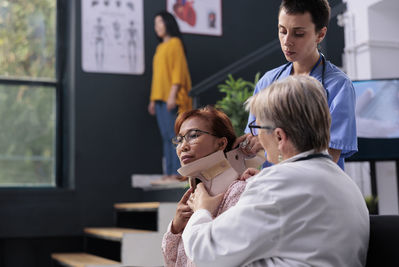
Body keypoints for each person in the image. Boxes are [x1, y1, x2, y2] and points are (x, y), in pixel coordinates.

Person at [181, 75, 369, 267]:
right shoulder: (344, 182)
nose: (257, 137)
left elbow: (205, 251)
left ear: (279, 136)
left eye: (258, 127)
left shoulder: (279, 184)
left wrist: (202, 210)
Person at [240, 0, 357, 170]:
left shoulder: (338, 86)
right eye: (282, 31)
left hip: (314, 186)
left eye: (298, 33)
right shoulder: (267, 81)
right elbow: (255, 141)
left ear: (320, 34)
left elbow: (329, 156)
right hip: (272, 186)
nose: (287, 41)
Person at [161, 106, 248, 267]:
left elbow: (222, 256)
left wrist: (204, 213)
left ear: (221, 143)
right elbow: (173, 263)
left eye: (193, 136)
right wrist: (175, 228)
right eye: (179, 140)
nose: (183, 147)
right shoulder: (192, 197)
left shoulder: (240, 191)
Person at [148, 11, 192, 183]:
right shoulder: (159, 48)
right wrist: (153, 99)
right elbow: (157, 76)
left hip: (170, 98)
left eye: (160, 22)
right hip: (159, 98)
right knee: (166, 136)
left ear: (168, 23)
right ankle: (169, 172)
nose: (157, 27)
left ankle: (178, 171)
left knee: (175, 135)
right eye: (155, 24)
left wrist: (173, 94)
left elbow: (178, 71)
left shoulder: (175, 43)